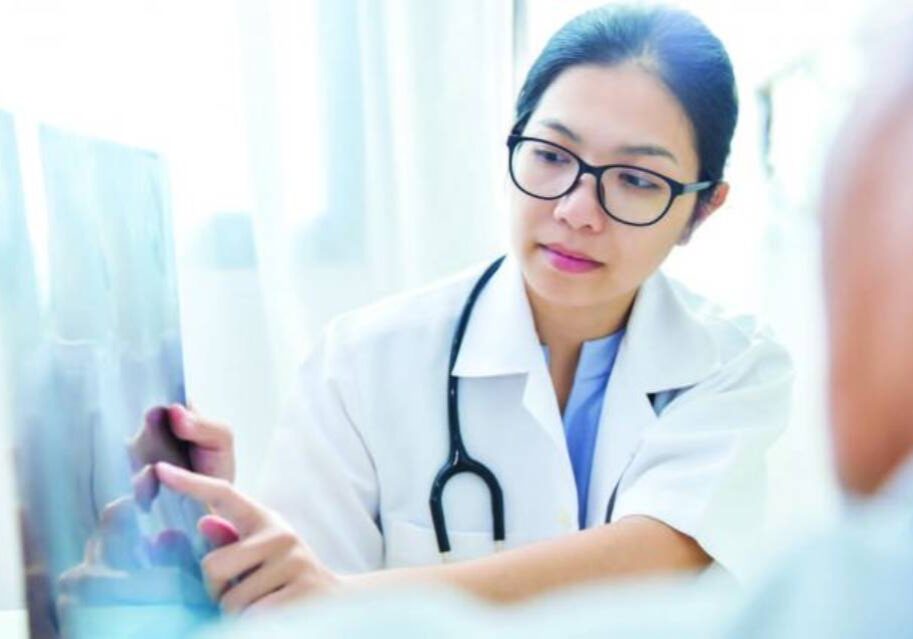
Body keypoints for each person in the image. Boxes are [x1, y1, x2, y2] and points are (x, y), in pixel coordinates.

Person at [195, 10, 913, 638]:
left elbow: (656, 554)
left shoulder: (735, 362)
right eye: (549, 155)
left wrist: (350, 603)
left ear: (701, 209)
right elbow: (288, 611)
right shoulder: (360, 361)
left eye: (635, 178)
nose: (575, 207)